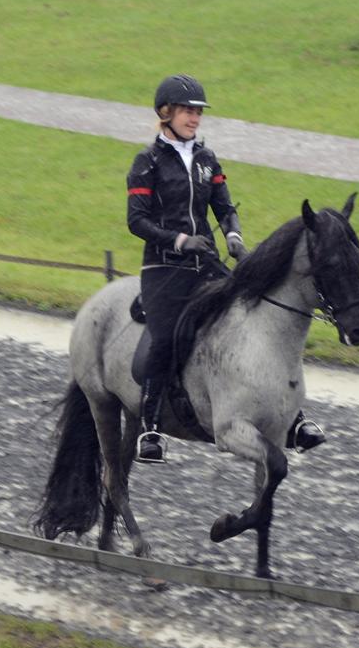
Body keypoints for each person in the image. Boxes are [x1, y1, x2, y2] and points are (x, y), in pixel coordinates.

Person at [126, 74, 325, 463]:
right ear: (165, 113)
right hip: (164, 268)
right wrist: (180, 241)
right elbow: (137, 221)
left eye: (198, 112)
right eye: (187, 111)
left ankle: (293, 418)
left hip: (206, 262)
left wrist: (233, 236)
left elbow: (224, 206)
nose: (195, 118)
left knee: (252, 318)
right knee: (166, 337)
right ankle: (149, 428)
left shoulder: (205, 159)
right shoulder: (146, 163)